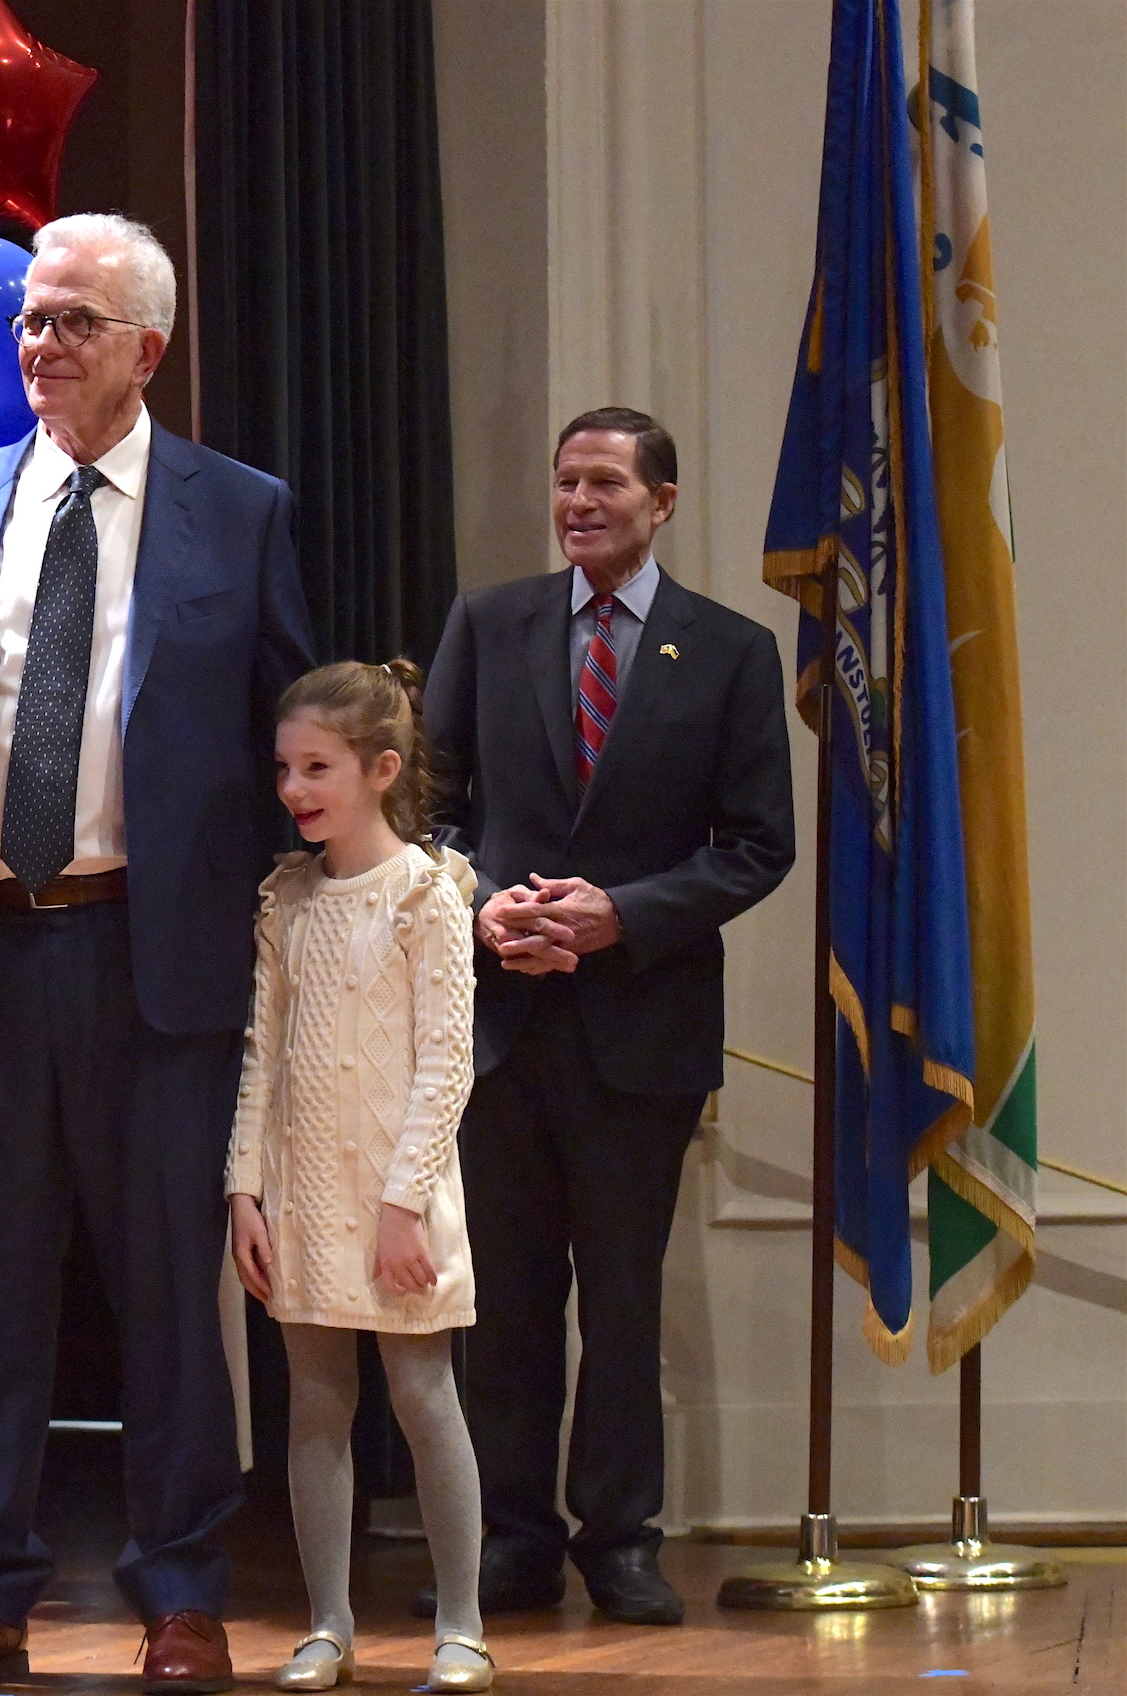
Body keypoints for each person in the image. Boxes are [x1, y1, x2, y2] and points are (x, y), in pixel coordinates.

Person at [0, 213, 314, 1692]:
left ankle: (180, 1592)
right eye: (31, 319)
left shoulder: (241, 509)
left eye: (74, 321)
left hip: (157, 961)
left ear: (146, 348)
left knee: (169, 1298)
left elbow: (295, 721)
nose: (39, 343)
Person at [420, 407, 795, 1625]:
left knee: (621, 1301)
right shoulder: (490, 623)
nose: (577, 502)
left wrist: (617, 914)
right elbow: (430, 809)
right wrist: (482, 905)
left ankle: (620, 1541)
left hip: (642, 1031)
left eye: (604, 484)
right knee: (509, 1301)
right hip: (499, 1022)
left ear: (661, 501)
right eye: (564, 481)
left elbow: (754, 846)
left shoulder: (731, 651)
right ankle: (511, 1541)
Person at [227, 661, 492, 1694]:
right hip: (301, 1189)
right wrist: (242, 1188)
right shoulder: (286, 898)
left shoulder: (427, 895)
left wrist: (401, 1205)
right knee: (314, 1402)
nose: (294, 788)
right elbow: (262, 1050)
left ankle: (461, 1624)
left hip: (398, 1198)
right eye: (284, 767)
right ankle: (327, 1623)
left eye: (317, 767)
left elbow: (444, 1061)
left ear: (381, 769)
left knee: (424, 1396)